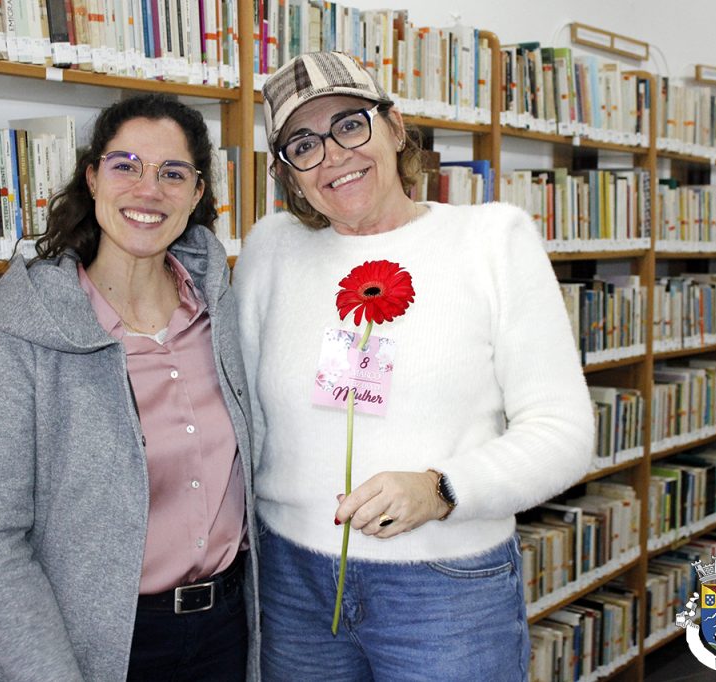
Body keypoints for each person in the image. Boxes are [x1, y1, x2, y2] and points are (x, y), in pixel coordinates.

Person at [233, 51, 593, 680]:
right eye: (304, 144)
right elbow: (242, 419)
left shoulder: (492, 241)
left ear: (395, 126)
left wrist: (441, 489)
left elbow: (564, 433)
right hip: (292, 583)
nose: (333, 155)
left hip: (444, 589)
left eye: (350, 125)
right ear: (287, 173)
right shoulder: (270, 249)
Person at [0, 94, 260, 682]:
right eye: (126, 166)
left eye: (173, 173)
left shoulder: (223, 314)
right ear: (93, 178)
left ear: (198, 193)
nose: (149, 190)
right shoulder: (21, 330)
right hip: (89, 645)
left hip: (226, 631)